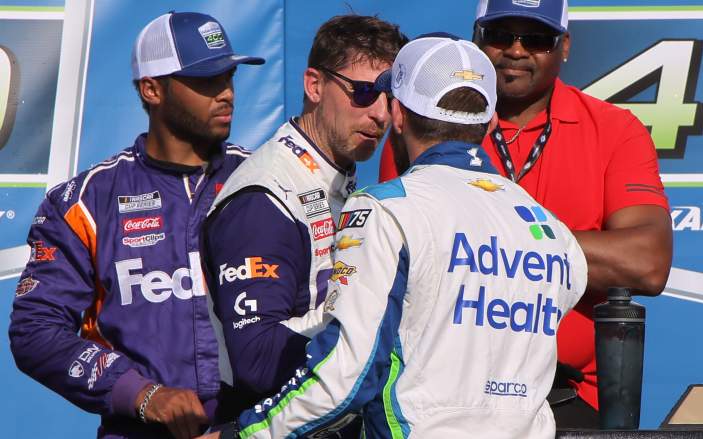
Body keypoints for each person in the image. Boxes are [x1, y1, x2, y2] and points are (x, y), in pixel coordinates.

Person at [203, 33, 588, 439]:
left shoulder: (389, 209)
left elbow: (346, 373)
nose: (379, 115)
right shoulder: (552, 232)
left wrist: (242, 435)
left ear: (399, 114)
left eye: (385, 101)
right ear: (491, 122)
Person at [378, 0, 672, 428]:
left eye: (536, 39)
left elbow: (647, 263)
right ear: (477, 39)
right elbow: (405, 248)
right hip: (444, 389)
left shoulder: (613, 129)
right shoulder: (426, 124)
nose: (516, 50)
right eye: (500, 35)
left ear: (564, 46)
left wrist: (500, 241)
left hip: (567, 393)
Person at [9, 11, 263, 439]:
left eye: (229, 77)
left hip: (256, 427)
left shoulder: (265, 181)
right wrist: (142, 393)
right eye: (206, 80)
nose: (226, 94)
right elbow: (35, 330)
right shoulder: (85, 202)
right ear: (152, 89)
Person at [199, 14, 406, 435]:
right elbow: (258, 358)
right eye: (365, 93)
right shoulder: (265, 195)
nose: (381, 115)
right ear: (314, 85)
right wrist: (369, 346)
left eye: (390, 97)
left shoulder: (333, 178)